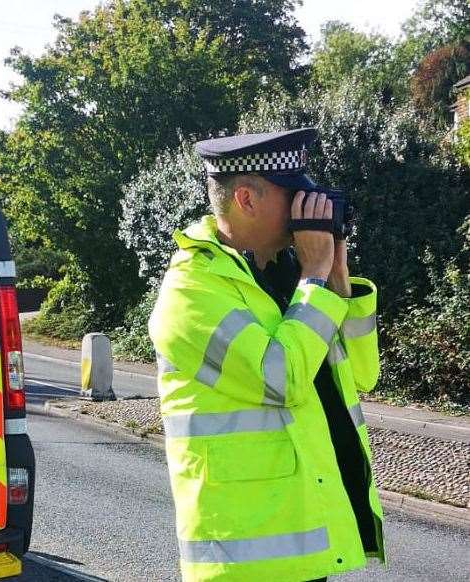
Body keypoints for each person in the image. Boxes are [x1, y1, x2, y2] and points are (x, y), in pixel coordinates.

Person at [149, 128, 385, 582]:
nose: (307, 208)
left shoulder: (284, 277)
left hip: (303, 545)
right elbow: (281, 379)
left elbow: (362, 375)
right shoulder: (192, 291)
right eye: (296, 194)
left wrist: (336, 281)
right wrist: (315, 277)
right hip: (243, 561)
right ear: (247, 199)